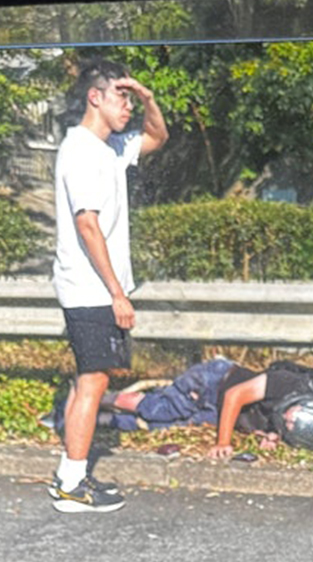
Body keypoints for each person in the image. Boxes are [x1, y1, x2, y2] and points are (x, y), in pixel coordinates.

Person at [50, 58, 169, 513]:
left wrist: (149, 98)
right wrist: (117, 293)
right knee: (92, 380)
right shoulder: (80, 150)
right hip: (89, 289)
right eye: (121, 96)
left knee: (92, 381)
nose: (127, 106)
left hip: (97, 289)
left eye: (130, 98)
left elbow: (157, 137)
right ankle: (70, 486)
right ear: (94, 97)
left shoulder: (114, 147)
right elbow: (87, 226)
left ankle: (71, 476)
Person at [48, 359, 313, 458]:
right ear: (307, 404)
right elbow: (234, 396)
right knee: (159, 409)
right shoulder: (288, 384)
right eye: (292, 418)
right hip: (214, 383)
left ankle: (91, 420)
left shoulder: (310, 423)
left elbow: (274, 424)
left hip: (215, 412)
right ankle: (90, 398)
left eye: (293, 428)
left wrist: (271, 436)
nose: (289, 421)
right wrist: (223, 442)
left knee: (159, 426)